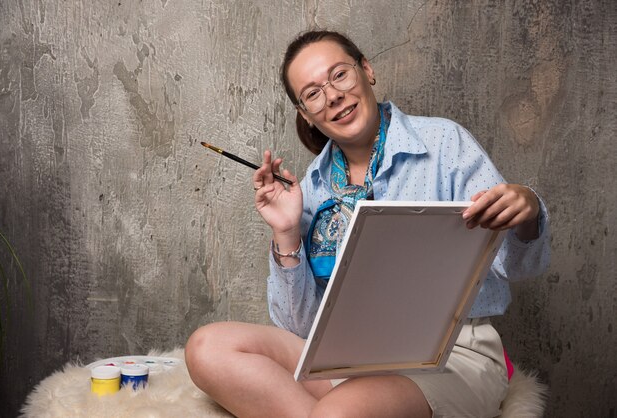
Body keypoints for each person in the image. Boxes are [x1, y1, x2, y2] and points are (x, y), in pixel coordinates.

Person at [185, 30, 550, 418]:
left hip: (451, 354)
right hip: (349, 358)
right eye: (312, 93)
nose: (332, 95)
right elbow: (301, 327)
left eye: (339, 75)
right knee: (207, 348)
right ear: (306, 113)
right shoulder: (310, 188)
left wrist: (527, 213)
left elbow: (517, 265)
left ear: (366, 70)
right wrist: (286, 231)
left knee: (338, 413)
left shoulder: (443, 142)